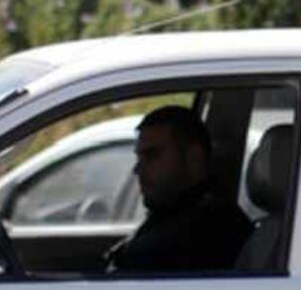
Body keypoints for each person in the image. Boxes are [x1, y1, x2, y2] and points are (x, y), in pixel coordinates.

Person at [107, 106, 252, 273]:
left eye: (152, 156)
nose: (138, 169)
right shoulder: (173, 215)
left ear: (194, 158)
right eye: (139, 157)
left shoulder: (209, 234)